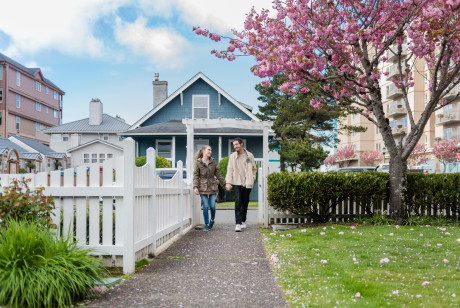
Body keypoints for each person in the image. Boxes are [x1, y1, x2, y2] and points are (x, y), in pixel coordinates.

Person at [225, 138, 257, 232]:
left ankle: (243, 220)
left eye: (236, 144)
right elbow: (229, 169)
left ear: (241, 144)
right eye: (234, 145)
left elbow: (254, 169)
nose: (235, 146)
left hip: (247, 183)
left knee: (245, 202)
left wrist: (252, 178)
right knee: (238, 201)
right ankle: (238, 223)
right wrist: (228, 182)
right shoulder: (232, 156)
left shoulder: (250, 155)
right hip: (236, 182)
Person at [193, 145, 226, 231]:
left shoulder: (213, 162)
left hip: (212, 187)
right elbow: (196, 176)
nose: (210, 151)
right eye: (208, 150)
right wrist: (195, 187)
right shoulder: (198, 162)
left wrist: (225, 184)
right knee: (205, 206)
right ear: (203, 151)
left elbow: (218, 175)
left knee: (212, 206)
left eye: (211, 150)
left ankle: (212, 220)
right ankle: (206, 224)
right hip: (202, 187)